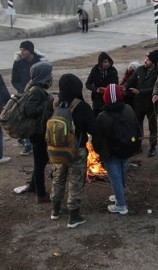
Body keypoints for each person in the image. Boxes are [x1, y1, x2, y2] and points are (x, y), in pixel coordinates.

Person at [50, 73, 98, 229]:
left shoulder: (53, 105)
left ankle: (55, 210)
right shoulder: (82, 106)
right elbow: (92, 129)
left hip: (56, 149)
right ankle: (73, 215)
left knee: (58, 179)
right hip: (77, 150)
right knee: (75, 182)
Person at [92, 84, 140, 215]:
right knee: (121, 173)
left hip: (111, 152)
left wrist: (99, 151)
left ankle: (121, 205)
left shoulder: (102, 116)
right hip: (126, 148)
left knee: (115, 177)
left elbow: (97, 138)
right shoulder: (128, 109)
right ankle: (120, 195)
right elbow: (136, 127)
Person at [13, 62, 54, 203]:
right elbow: (30, 111)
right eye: (49, 74)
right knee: (40, 162)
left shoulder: (34, 85)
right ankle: (41, 194)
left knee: (41, 160)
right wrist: (48, 101)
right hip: (37, 132)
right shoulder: (36, 90)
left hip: (38, 130)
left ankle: (32, 185)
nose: (50, 76)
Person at [11, 40, 47, 156]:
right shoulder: (18, 63)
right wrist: (22, 89)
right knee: (26, 118)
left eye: (24, 50)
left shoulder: (39, 62)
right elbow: (14, 79)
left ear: (30, 51)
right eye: (21, 49)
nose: (22, 52)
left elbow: (45, 77)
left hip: (38, 92)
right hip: (24, 94)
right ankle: (27, 144)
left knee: (40, 116)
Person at [124, 50, 158, 157]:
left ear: (153, 62)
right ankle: (138, 144)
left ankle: (153, 146)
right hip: (138, 104)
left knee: (152, 126)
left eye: (148, 59)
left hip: (151, 104)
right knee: (137, 125)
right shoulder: (139, 70)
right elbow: (130, 80)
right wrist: (124, 87)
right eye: (146, 58)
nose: (145, 61)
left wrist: (140, 92)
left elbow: (155, 88)